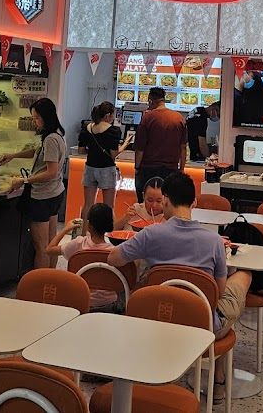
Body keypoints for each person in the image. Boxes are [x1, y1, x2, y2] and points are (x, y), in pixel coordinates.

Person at [109, 173, 250, 398]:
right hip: (202, 323)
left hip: (156, 316)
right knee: (243, 276)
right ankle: (218, 380)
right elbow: (219, 291)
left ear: (165, 200)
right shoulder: (214, 242)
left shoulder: (150, 234)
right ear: (194, 203)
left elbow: (113, 259)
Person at [0, 97, 68, 270]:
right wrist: (13, 155)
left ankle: (39, 286)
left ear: (46, 117)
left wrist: (24, 180)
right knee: (51, 244)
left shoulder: (50, 139)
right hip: (55, 193)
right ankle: (50, 280)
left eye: (36, 118)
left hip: (43, 196)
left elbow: (50, 172)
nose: (35, 122)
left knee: (41, 247)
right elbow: (36, 153)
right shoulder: (56, 135)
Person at [45, 203, 117, 310]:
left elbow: (49, 250)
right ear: (110, 225)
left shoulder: (78, 244)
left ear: (89, 226)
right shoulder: (115, 252)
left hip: (80, 300)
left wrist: (66, 229)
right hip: (108, 305)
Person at [132, 86, 186, 201]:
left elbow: (140, 149)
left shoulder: (147, 118)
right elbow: (183, 148)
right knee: (167, 203)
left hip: (148, 169)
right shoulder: (179, 118)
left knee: (146, 204)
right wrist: (181, 169)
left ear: (151, 100)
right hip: (171, 169)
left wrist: (137, 168)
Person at [79, 101, 128, 223]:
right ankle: (109, 235)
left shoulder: (87, 128)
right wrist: (125, 145)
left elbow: (81, 150)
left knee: (88, 204)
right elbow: (113, 154)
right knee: (108, 206)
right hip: (106, 169)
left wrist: (94, 152)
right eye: (113, 115)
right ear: (107, 115)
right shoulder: (113, 131)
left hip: (90, 168)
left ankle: (85, 233)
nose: (113, 118)